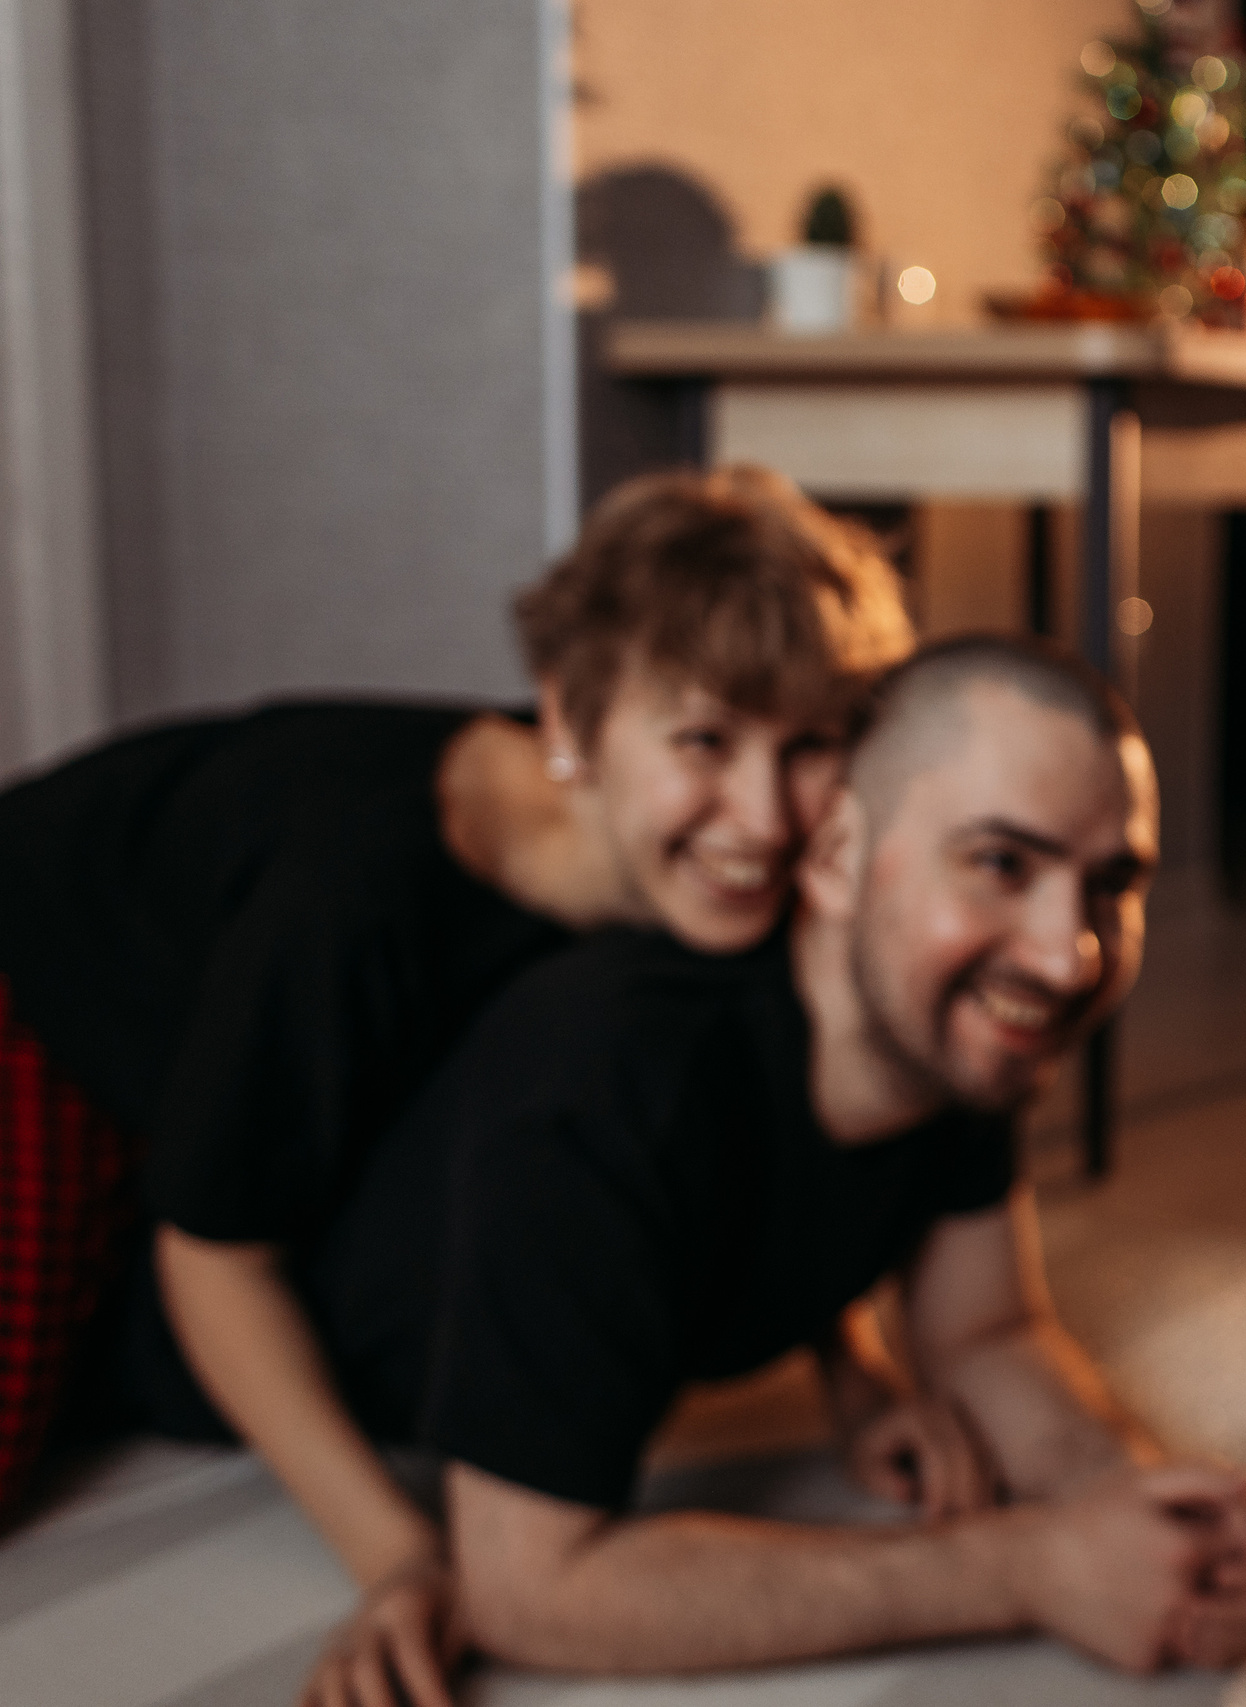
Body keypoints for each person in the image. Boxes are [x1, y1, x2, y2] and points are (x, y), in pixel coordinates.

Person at [193, 634, 1246, 1681]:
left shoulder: (953, 1030)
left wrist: (1143, 1499)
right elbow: (527, 1584)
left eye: (1113, 883)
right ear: (837, 856)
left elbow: (986, 1331)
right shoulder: (606, 1077)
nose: (1068, 954)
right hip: (221, 1374)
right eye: (1002, 863)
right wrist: (1028, 1567)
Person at [0, 465, 911, 1707]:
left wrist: (854, 1369)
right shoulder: (357, 902)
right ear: (571, 724)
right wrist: (398, 1557)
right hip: (32, 1001)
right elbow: (214, 1255)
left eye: (808, 747)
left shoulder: (707, 887)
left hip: (192, 1046)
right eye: (705, 741)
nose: (761, 817)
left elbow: (752, 1125)